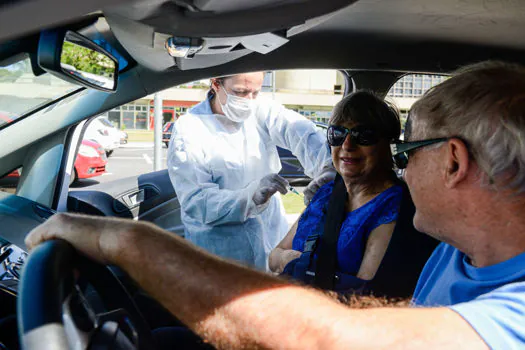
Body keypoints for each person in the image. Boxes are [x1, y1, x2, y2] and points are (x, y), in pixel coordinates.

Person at [27, 61, 525, 349]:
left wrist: (125, 239)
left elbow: (341, 338)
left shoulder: (516, 310)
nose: (400, 168)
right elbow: (214, 214)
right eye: (340, 137)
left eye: (406, 152)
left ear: (454, 162)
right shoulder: (455, 251)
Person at [167, 72, 334, 270]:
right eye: (240, 92)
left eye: (255, 92)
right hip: (222, 251)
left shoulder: (261, 108)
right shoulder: (190, 129)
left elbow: (300, 132)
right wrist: (249, 197)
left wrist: (328, 167)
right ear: (216, 84)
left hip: (271, 236)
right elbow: (197, 201)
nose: (249, 100)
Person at [269, 91, 404, 289]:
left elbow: (362, 293)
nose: (347, 145)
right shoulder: (327, 193)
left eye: (364, 136)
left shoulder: (393, 206)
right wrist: (289, 259)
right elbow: (274, 256)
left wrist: (295, 266)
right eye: (337, 134)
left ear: (389, 145)